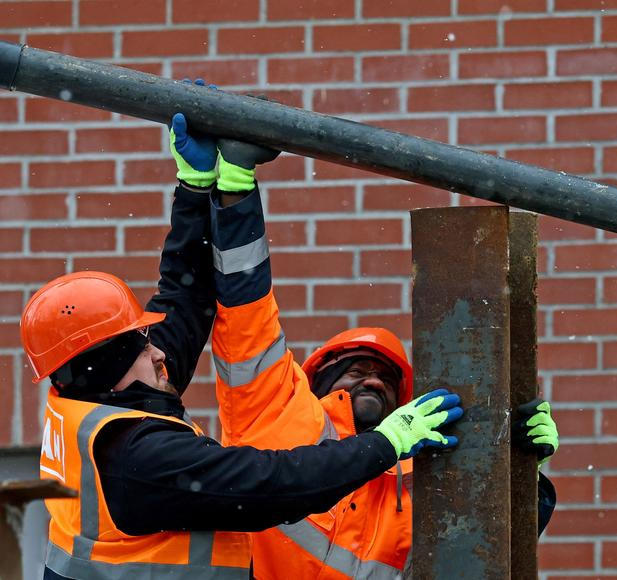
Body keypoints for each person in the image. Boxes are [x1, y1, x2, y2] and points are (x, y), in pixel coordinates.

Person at [22, 103, 463, 580]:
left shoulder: (91, 400)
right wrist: (384, 444)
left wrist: (199, 186)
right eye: (141, 346)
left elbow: (183, 297)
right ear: (105, 368)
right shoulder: (138, 459)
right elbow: (271, 486)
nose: (157, 351)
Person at [202, 117, 560, 577]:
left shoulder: (421, 486)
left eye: (388, 378)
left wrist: (520, 474)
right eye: (356, 368)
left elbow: (481, 559)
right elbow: (245, 308)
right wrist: (234, 186)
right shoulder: (273, 411)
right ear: (318, 380)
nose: (373, 379)